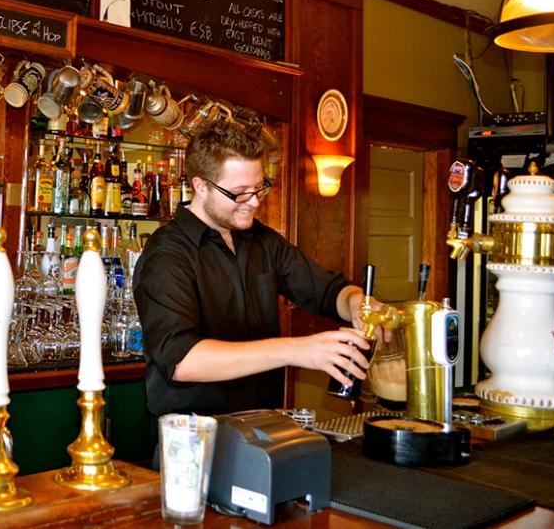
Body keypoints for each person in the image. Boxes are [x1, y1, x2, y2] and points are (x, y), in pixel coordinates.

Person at [133, 119, 381, 423]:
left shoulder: (262, 241)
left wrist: (357, 301)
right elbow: (182, 360)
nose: (253, 202)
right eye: (239, 192)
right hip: (193, 435)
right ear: (200, 186)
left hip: (263, 424)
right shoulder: (167, 254)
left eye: (259, 188)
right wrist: (294, 350)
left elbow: (329, 291)